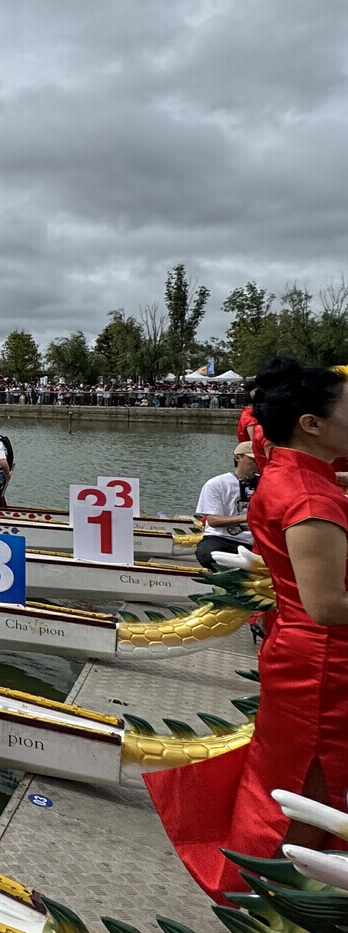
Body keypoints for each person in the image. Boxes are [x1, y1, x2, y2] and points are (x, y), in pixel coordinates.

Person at [147, 358, 348, 903]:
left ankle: (267, 876)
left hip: (298, 646)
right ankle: (279, 894)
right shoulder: (309, 498)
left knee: (284, 773)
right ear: (312, 423)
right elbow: (329, 604)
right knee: (316, 780)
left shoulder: (287, 473)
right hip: (325, 660)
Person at [193, 441, 261, 569]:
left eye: (260, 459)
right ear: (237, 458)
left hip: (254, 541)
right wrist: (249, 517)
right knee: (207, 554)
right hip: (222, 538)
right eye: (253, 460)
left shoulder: (266, 484)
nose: (258, 464)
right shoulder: (216, 484)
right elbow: (213, 520)